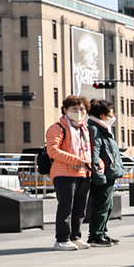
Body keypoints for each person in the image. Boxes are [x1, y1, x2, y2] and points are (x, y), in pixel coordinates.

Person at [46, 95, 93, 251]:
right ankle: (62, 239)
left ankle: (75, 236)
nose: (79, 112)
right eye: (74, 108)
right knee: (66, 207)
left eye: (82, 109)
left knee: (80, 208)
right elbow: (53, 151)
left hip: (83, 173)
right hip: (64, 173)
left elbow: (87, 151)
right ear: (65, 110)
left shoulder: (83, 129)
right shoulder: (58, 128)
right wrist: (77, 161)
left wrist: (95, 164)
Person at [85, 99, 124, 247]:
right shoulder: (95, 129)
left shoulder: (103, 128)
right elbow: (95, 153)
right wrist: (98, 175)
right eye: (110, 112)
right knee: (101, 205)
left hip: (108, 173)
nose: (112, 115)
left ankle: (102, 232)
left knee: (107, 205)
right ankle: (95, 235)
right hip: (103, 174)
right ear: (102, 115)